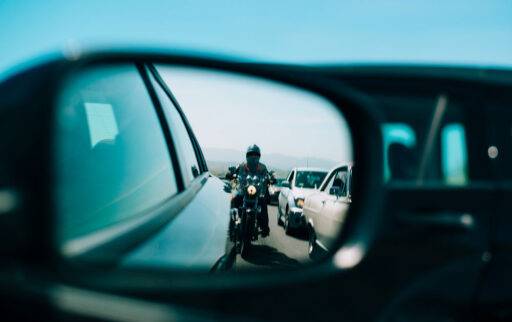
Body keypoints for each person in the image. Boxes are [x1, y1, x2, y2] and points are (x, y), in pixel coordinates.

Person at [229, 144, 273, 237]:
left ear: (259, 156)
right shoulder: (241, 166)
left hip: (257, 192)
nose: (253, 157)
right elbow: (234, 174)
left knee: (263, 204)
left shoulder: (262, 167)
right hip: (243, 191)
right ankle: (230, 226)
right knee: (233, 199)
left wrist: (270, 179)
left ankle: (265, 228)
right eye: (251, 154)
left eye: (255, 154)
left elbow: (267, 176)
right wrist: (231, 174)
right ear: (247, 155)